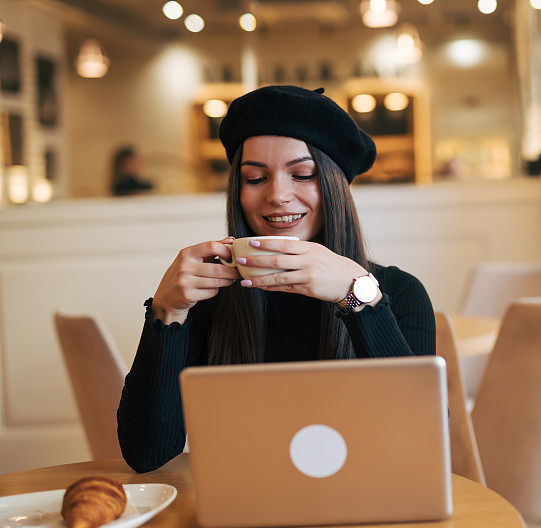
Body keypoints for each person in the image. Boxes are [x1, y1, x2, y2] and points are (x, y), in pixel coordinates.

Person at [117, 86, 436, 473]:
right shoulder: (207, 294)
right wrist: (166, 313)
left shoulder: (398, 293)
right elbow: (146, 454)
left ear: (335, 187)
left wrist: (359, 298)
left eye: (302, 174)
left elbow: (424, 441)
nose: (278, 196)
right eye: (254, 179)